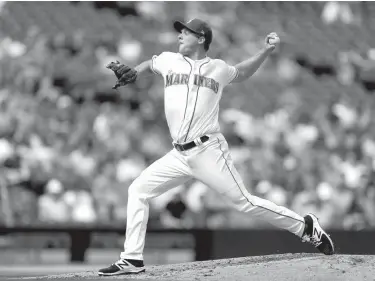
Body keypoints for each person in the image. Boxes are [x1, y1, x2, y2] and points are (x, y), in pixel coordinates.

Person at [99, 18, 334, 276]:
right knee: (138, 190)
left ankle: (306, 227)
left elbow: (242, 72)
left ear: (201, 39)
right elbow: (151, 63)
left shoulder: (218, 68)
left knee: (244, 202)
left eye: (186, 32)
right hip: (178, 154)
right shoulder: (169, 60)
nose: (179, 35)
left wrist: (265, 52)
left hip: (208, 151)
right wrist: (136, 71)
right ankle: (132, 258)